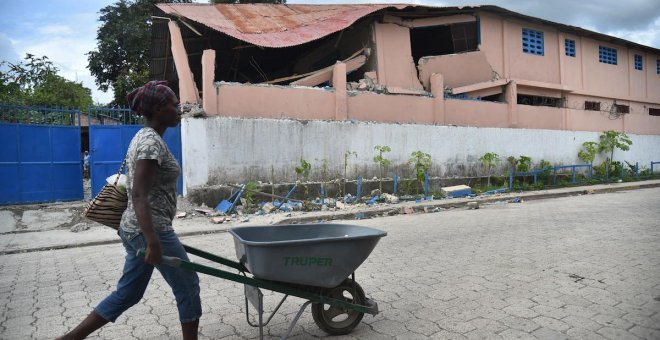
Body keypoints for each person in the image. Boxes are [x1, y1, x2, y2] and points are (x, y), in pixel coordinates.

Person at [58, 81, 201, 340]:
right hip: (150, 229)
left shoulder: (146, 137)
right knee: (188, 285)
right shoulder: (149, 143)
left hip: (137, 228)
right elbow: (138, 193)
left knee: (129, 293)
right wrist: (153, 241)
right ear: (158, 109)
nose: (179, 109)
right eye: (174, 104)